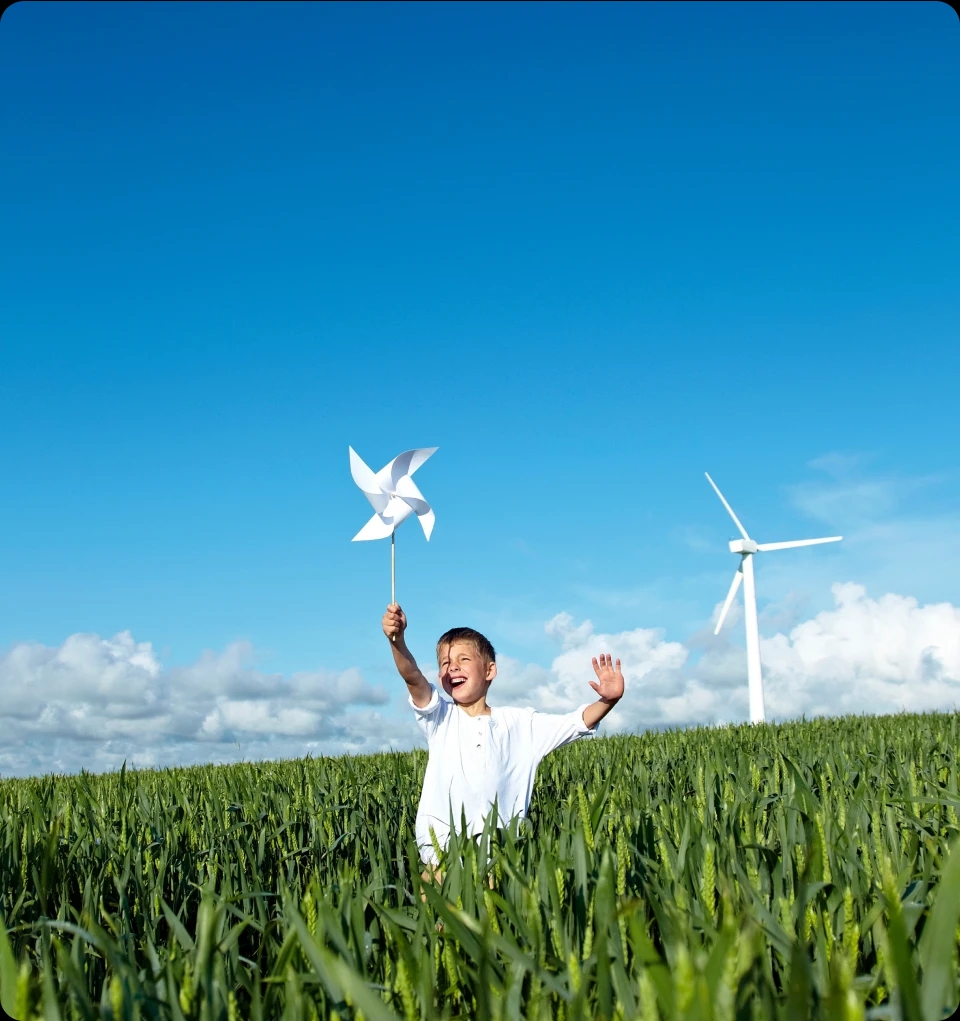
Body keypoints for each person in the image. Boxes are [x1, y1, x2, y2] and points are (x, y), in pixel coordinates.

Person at [382, 602, 625, 869]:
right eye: (445, 663)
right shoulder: (439, 717)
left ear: (490, 670)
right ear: (440, 677)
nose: (452, 667)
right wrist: (398, 642)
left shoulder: (521, 724)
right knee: (435, 904)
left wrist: (608, 701)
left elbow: (575, 722)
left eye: (463, 659)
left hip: (498, 855)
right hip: (439, 853)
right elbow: (413, 678)